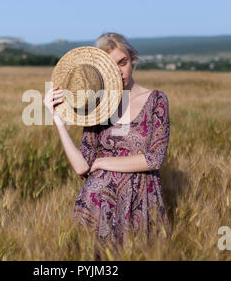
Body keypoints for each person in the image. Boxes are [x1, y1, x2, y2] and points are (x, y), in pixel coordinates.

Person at [43, 32, 171, 257]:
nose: (119, 71)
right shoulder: (98, 108)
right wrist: (58, 120)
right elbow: (82, 167)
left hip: (141, 203)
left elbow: (154, 159)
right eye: (112, 65)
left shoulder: (156, 100)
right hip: (98, 207)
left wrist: (102, 161)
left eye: (123, 62)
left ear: (133, 60)